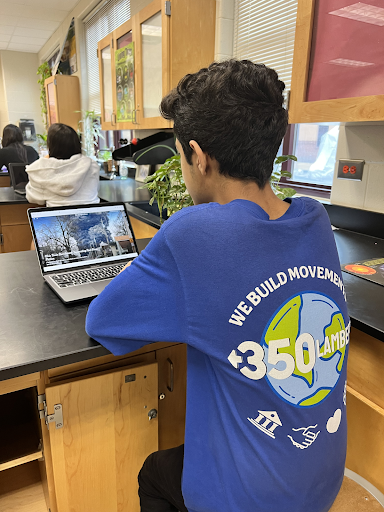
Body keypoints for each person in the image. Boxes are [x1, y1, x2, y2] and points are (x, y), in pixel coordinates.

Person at [85, 60, 350, 512]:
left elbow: (103, 320)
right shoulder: (315, 218)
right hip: (321, 480)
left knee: (154, 474)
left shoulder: (195, 233)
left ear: (198, 156)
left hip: (248, 499)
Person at [25, 123, 100, 207]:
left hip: (56, 217)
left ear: (50, 145)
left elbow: (33, 198)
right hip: (92, 216)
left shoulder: (40, 168)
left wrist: (45, 160)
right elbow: (94, 190)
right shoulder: (91, 165)